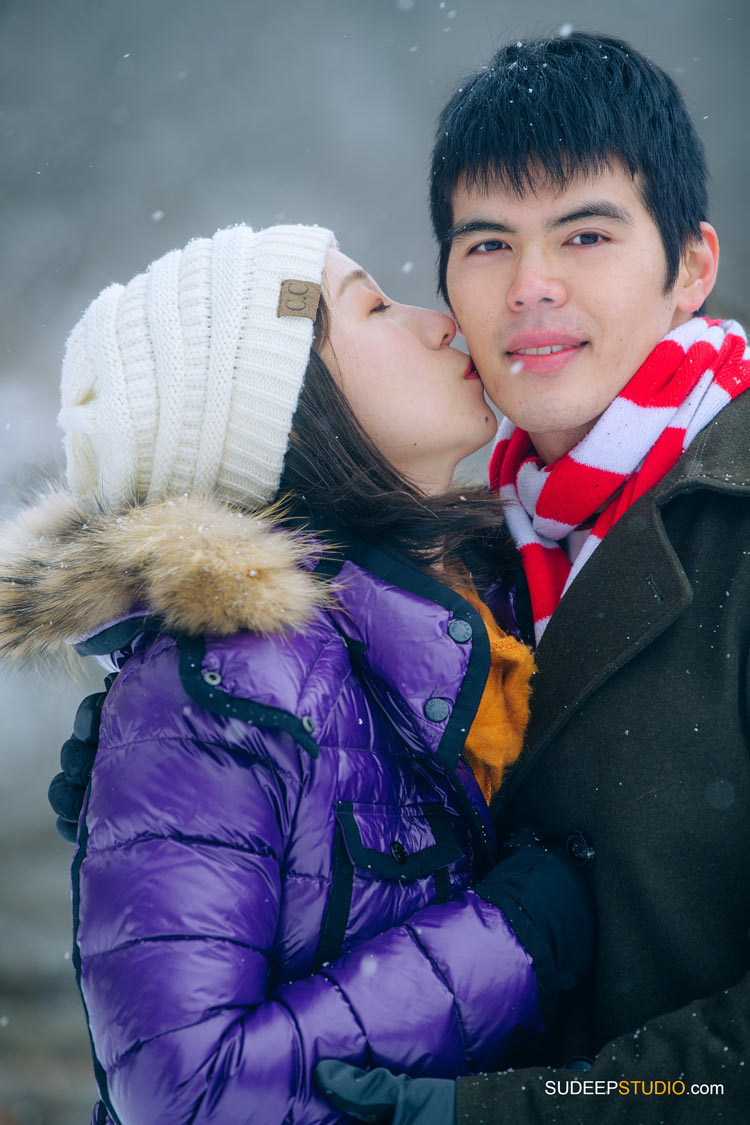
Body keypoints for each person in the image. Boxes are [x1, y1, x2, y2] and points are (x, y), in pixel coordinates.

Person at [0, 223, 594, 1124]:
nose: (439, 323)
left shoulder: (490, 608)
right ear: (286, 409)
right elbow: (185, 1096)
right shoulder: (220, 687)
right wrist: (507, 944)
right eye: (374, 306)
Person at [315, 31, 750, 1125]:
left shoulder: (733, 523)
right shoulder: (463, 559)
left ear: (691, 265)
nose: (532, 287)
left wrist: (527, 1112)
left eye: (586, 234)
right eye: (489, 244)